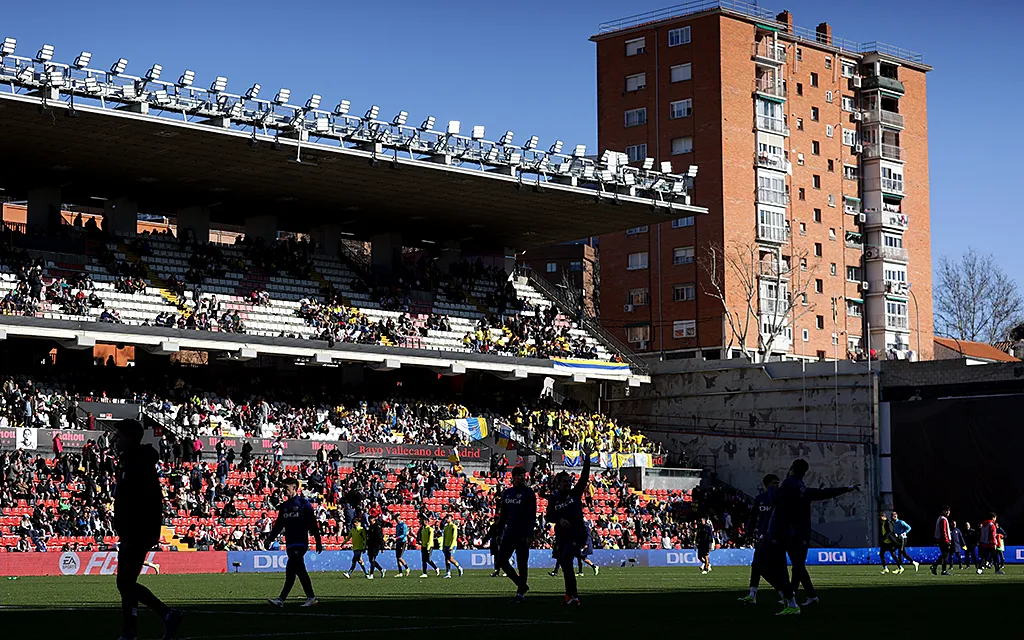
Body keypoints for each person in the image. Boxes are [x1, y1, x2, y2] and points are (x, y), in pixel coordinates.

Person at [758, 459, 859, 615]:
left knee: (771, 566)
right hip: (799, 533)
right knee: (798, 567)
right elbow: (822, 493)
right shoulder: (801, 487)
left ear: (791, 469)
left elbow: (775, 500)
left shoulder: (789, 484)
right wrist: (847, 488)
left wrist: (771, 489)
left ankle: (789, 598)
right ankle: (808, 596)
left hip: (786, 532)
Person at [113, 420, 183, 640]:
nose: (117, 440)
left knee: (125, 583)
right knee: (127, 583)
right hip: (135, 530)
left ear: (130, 437)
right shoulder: (134, 461)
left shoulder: (138, 463)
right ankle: (131, 632)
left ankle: (166, 613)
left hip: (137, 530)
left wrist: (133, 532)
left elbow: (144, 501)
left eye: (120, 435)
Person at [546, 443, 592, 605]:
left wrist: (586, 457)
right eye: (564, 481)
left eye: (568, 481)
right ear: (559, 483)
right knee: (565, 564)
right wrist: (558, 520)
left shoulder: (575, 493)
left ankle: (574, 596)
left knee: (566, 559)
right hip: (562, 536)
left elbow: (585, 477)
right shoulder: (554, 499)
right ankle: (570, 595)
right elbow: (548, 517)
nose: (567, 483)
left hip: (577, 533)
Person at [266, 477, 323, 607]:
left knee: (294, 567)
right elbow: (279, 525)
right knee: (293, 570)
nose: (284, 491)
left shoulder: (304, 504)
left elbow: (313, 523)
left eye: (286, 488)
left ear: (295, 488)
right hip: (290, 543)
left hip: (300, 542)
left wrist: (318, 540)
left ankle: (282, 599)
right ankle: (310, 597)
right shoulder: (284, 506)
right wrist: (270, 538)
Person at [496, 465, 537, 601]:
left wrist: (529, 534)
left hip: (523, 533)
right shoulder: (507, 493)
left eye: (523, 475)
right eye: (519, 475)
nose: (522, 477)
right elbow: (503, 515)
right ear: (513, 477)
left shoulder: (529, 493)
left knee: (522, 564)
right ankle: (521, 584)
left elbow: (532, 516)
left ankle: (520, 594)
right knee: (501, 561)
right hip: (510, 532)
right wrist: (499, 532)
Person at [738, 474, 779, 604]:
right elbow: (754, 517)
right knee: (758, 566)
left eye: (778, 483)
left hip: (777, 537)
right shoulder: (759, 499)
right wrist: (748, 533)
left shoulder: (779, 499)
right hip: (763, 537)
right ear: (767, 484)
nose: (777, 485)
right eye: (775, 483)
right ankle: (753, 594)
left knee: (770, 567)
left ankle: (785, 593)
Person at [930, 506, 954, 576]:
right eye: (948, 511)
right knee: (945, 555)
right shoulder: (943, 519)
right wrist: (947, 540)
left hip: (941, 539)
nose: (948, 513)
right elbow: (943, 531)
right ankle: (940, 568)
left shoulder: (940, 518)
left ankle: (937, 567)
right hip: (943, 540)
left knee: (944, 555)